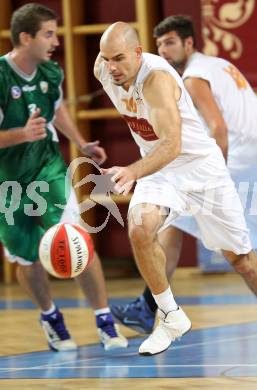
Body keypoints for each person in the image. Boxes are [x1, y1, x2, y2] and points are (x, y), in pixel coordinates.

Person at [95, 21, 257, 371]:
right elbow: (160, 152)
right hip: (162, 170)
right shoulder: (105, 70)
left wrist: (131, 171)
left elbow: (172, 145)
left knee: (243, 261)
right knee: (139, 227)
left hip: (198, 166)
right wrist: (137, 171)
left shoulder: (157, 80)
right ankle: (170, 315)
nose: (112, 67)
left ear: (138, 53)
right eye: (106, 58)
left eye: (119, 58)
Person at [0, 3, 127, 352]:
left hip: (48, 170)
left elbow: (57, 110)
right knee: (25, 258)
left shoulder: (51, 73)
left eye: (57, 32)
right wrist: (18, 135)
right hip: (6, 180)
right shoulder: (0, 77)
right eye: (48, 34)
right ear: (25, 37)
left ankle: (105, 322)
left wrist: (81, 142)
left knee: (78, 241)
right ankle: (50, 317)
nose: (56, 40)